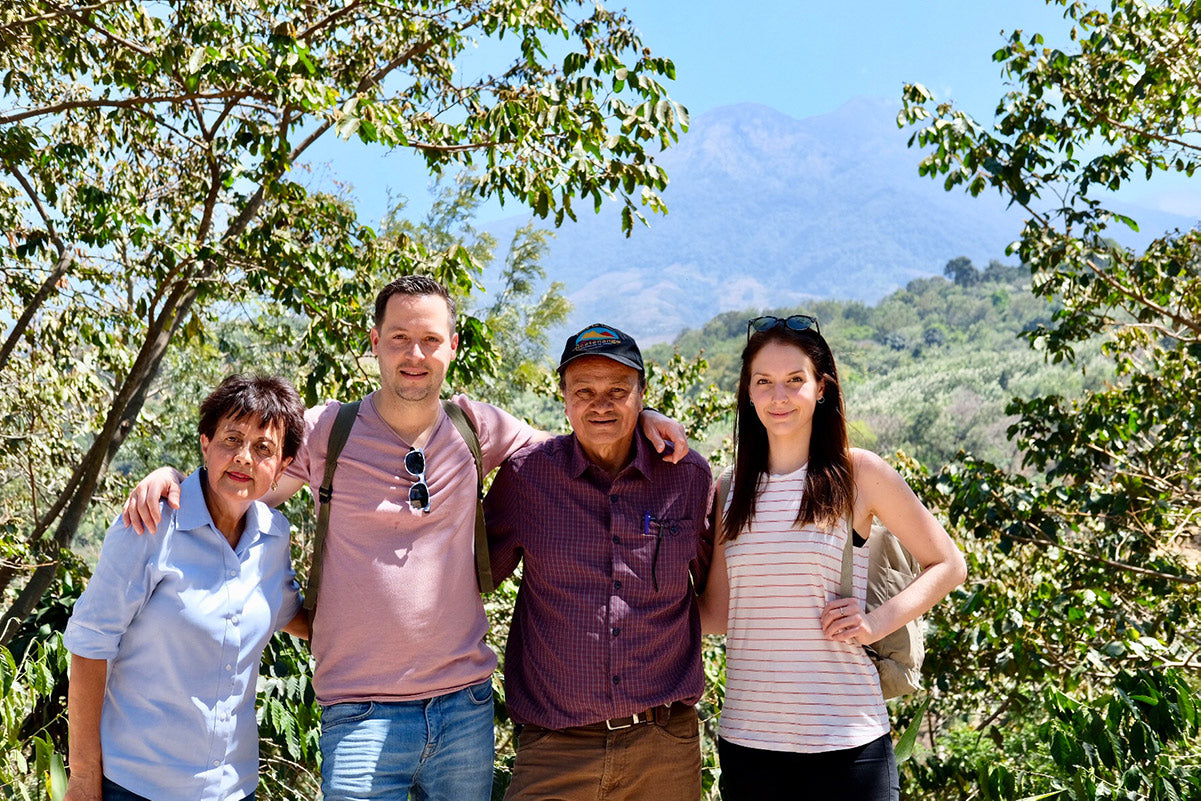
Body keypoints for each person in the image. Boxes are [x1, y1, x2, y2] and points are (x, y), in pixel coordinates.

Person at [119, 277, 690, 801]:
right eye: (399, 338)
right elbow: (239, 485)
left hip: (463, 707)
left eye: (429, 339)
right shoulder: (326, 433)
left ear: (453, 346)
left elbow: (581, 441)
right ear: (375, 342)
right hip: (358, 711)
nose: (414, 354)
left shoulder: (479, 428)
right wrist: (173, 478)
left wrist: (642, 418)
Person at [698, 314, 967, 801]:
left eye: (794, 380)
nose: (779, 396)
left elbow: (949, 564)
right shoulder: (729, 487)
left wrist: (874, 623)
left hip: (848, 740)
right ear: (748, 391)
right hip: (748, 742)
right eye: (764, 382)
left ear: (821, 388)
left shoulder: (859, 472)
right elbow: (718, 613)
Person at [485, 323, 714, 801]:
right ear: (564, 398)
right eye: (583, 391)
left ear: (642, 394)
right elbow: (470, 576)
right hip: (554, 749)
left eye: (618, 391)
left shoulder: (688, 477)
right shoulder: (527, 479)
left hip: (664, 750)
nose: (600, 404)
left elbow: (714, 587)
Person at [63, 374, 309, 801]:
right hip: (136, 787)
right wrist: (84, 776)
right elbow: (89, 643)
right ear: (205, 443)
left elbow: (292, 615)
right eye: (231, 439)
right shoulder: (150, 526)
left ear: (282, 467)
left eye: (263, 448)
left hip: (234, 789)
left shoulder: (274, 538)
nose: (244, 458)